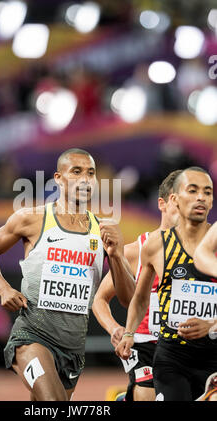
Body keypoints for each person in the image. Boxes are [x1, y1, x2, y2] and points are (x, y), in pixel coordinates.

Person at [0, 148, 134, 401]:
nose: (85, 179)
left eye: (90, 173)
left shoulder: (103, 230)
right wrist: (3, 288)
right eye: (76, 171)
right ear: (59, 178)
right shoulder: (32, 219)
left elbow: (128, 298)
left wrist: (116, 254)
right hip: (32, 336)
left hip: (72, 347)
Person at [117, 166, 217, 401]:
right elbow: (140, 298)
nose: (200, 197)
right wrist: (129, 332)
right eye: (192, 191)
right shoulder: (155, 245)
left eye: (207, 192)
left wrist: (212, 325)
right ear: (175, 199)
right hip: (172, 357)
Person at [92, 170, 180, 401]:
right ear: (162, 203)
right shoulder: (135, 251)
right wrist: (114, 329)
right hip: (145, 344)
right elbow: (100, 300)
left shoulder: (205, 252)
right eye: (176, 201)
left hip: (187, 344)